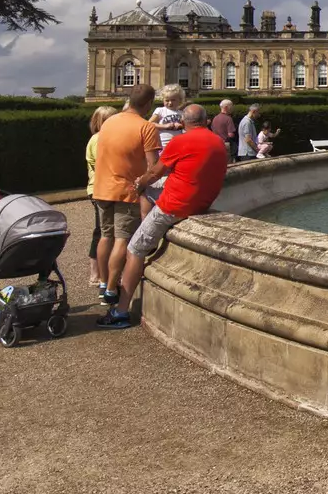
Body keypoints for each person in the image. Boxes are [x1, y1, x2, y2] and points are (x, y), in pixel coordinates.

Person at [97, 103, 229, 330]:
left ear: (184, 123)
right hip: (202, 202)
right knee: (153, 191)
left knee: (134, 249)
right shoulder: (217, 141)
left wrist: (138, 184)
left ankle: (121, 311)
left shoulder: (180, 141)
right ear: (206, 120)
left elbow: (154, 172)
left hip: (175, 206)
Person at [89, 85, 160, 308]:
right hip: (125, 190)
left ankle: (102, 283)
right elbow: (154, 167)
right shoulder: (146, 127)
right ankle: (111, 289)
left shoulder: (109, 122)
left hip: (101, 188)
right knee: (122, 239)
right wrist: (142, 184)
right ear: (148, 104)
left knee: (105, 236)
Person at [83, 104, 117, 287]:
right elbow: (103, 165)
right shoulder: (98, 139)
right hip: (99, 189)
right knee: (101, 232)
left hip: (105, 188)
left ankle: (103, 271)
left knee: (106, 231)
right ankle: (95, 273)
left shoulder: (106, 138)